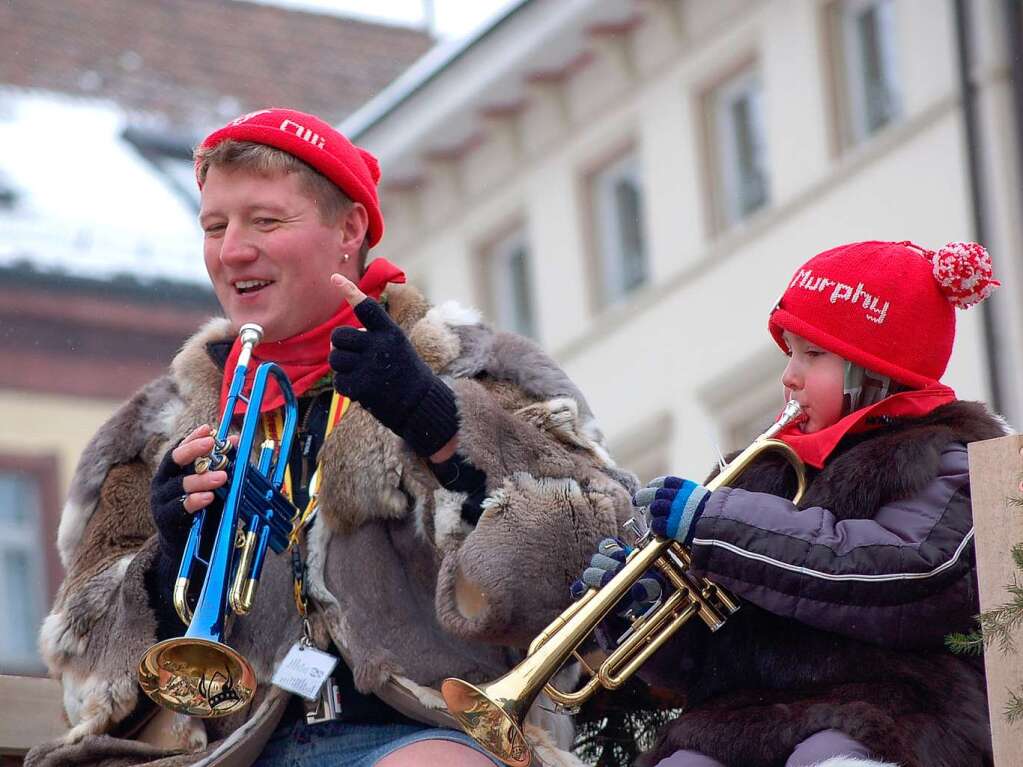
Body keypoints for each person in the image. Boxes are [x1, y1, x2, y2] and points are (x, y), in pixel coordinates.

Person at [29, 108, 634, 767]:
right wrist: (171, 555)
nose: (232, 249)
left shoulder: (482, 370)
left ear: (348, 230)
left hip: (420, 734)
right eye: (214, 226)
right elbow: (82, 668)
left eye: (265, 221)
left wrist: (444, 430)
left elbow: (601, 565)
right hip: (224, 751)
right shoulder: (155, 426)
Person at [579, 240, 1006, 767]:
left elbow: (904, 572)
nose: (789, 376)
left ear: (874, 370)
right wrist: (635, 613)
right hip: (743, 718)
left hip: (897, 708)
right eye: (790, 353)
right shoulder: (758, 470)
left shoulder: (949, 456)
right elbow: (706, 661)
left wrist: (716, 524)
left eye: (813, 354)